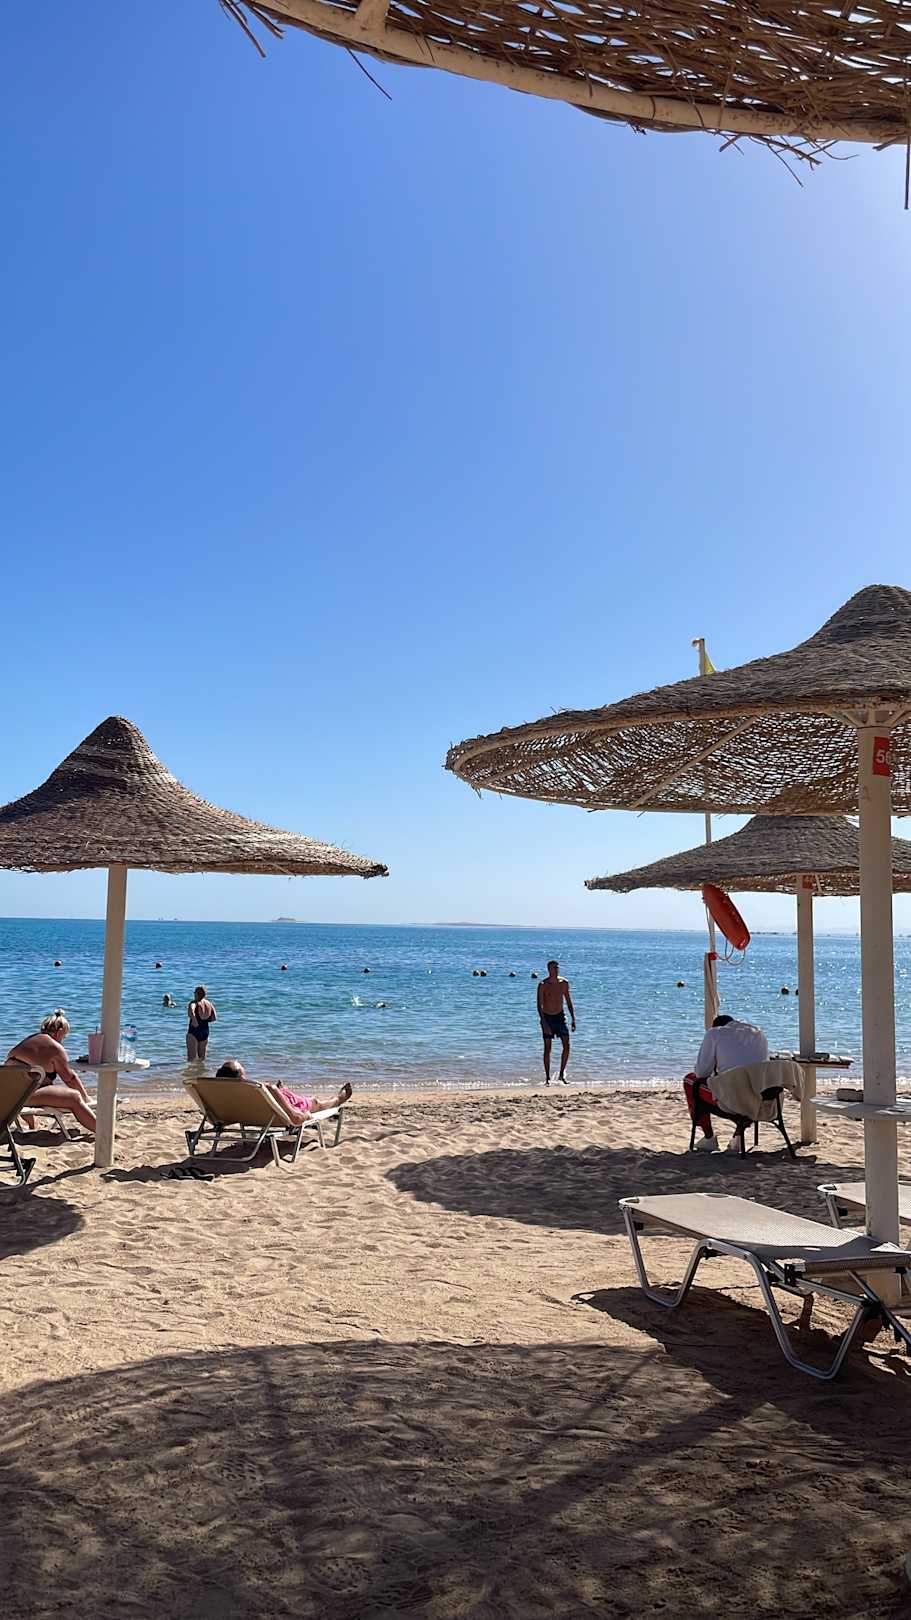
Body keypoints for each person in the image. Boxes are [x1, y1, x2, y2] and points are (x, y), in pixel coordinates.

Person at [684, 1013, 769, 1153]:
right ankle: (738, 1135)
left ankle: (709, 1137)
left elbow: (701, 1073)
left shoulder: (715, 1033)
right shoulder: (758, 1033)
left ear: (716, 1026)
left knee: (690, 1081)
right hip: (760, 1098)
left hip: (731, 1099)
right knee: (746, 1085)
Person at [7, 1012, 97, 1134]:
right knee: (74, 1097)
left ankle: (32, 1124)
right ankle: (103, 1131)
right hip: (22, 1097)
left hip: (7, 1094)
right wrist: (85, 1098)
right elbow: (70, 1079)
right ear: (59, 1032)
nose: (62, 1041)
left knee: (31, 1084)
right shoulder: (55, 1048)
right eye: (64, 1037)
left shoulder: (28, 1041)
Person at [213, 1059, 352, 1122]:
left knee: (282, 1093)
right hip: (281, 1110)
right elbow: (295, 1118)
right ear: (242, 1077)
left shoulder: (221, 1095)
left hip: (257, 1113)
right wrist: (307, 1115)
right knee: (315, 1102)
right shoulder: (262, 1088)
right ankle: (339, 1099)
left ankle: (283, 1092)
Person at [536, 959, 576, 1085]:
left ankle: (561, 1075)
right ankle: (547, 1078)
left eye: (557, 967)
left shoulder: (564, 983)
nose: (557, 969)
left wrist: (573, 1018)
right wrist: (544, 1022)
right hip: (547, 1017)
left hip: (560, 1016)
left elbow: (568, 1001)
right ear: (549, 969)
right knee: (547, 1048)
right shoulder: (543, 984)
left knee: (567, 1045)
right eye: (554, 967)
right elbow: (539, 1005)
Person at [186, 986, 217, 1063]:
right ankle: (201, 1069)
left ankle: (191, 1070)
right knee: (202, 1058)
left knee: (191, 1058)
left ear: (196, 994)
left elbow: (191, 1011)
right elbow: (214, 1018)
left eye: (194, 993)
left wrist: (194, 1020)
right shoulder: (209, 1003)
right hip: (205, 1030)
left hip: (194, 1030)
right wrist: (204, 1019)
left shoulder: (193, 1003)